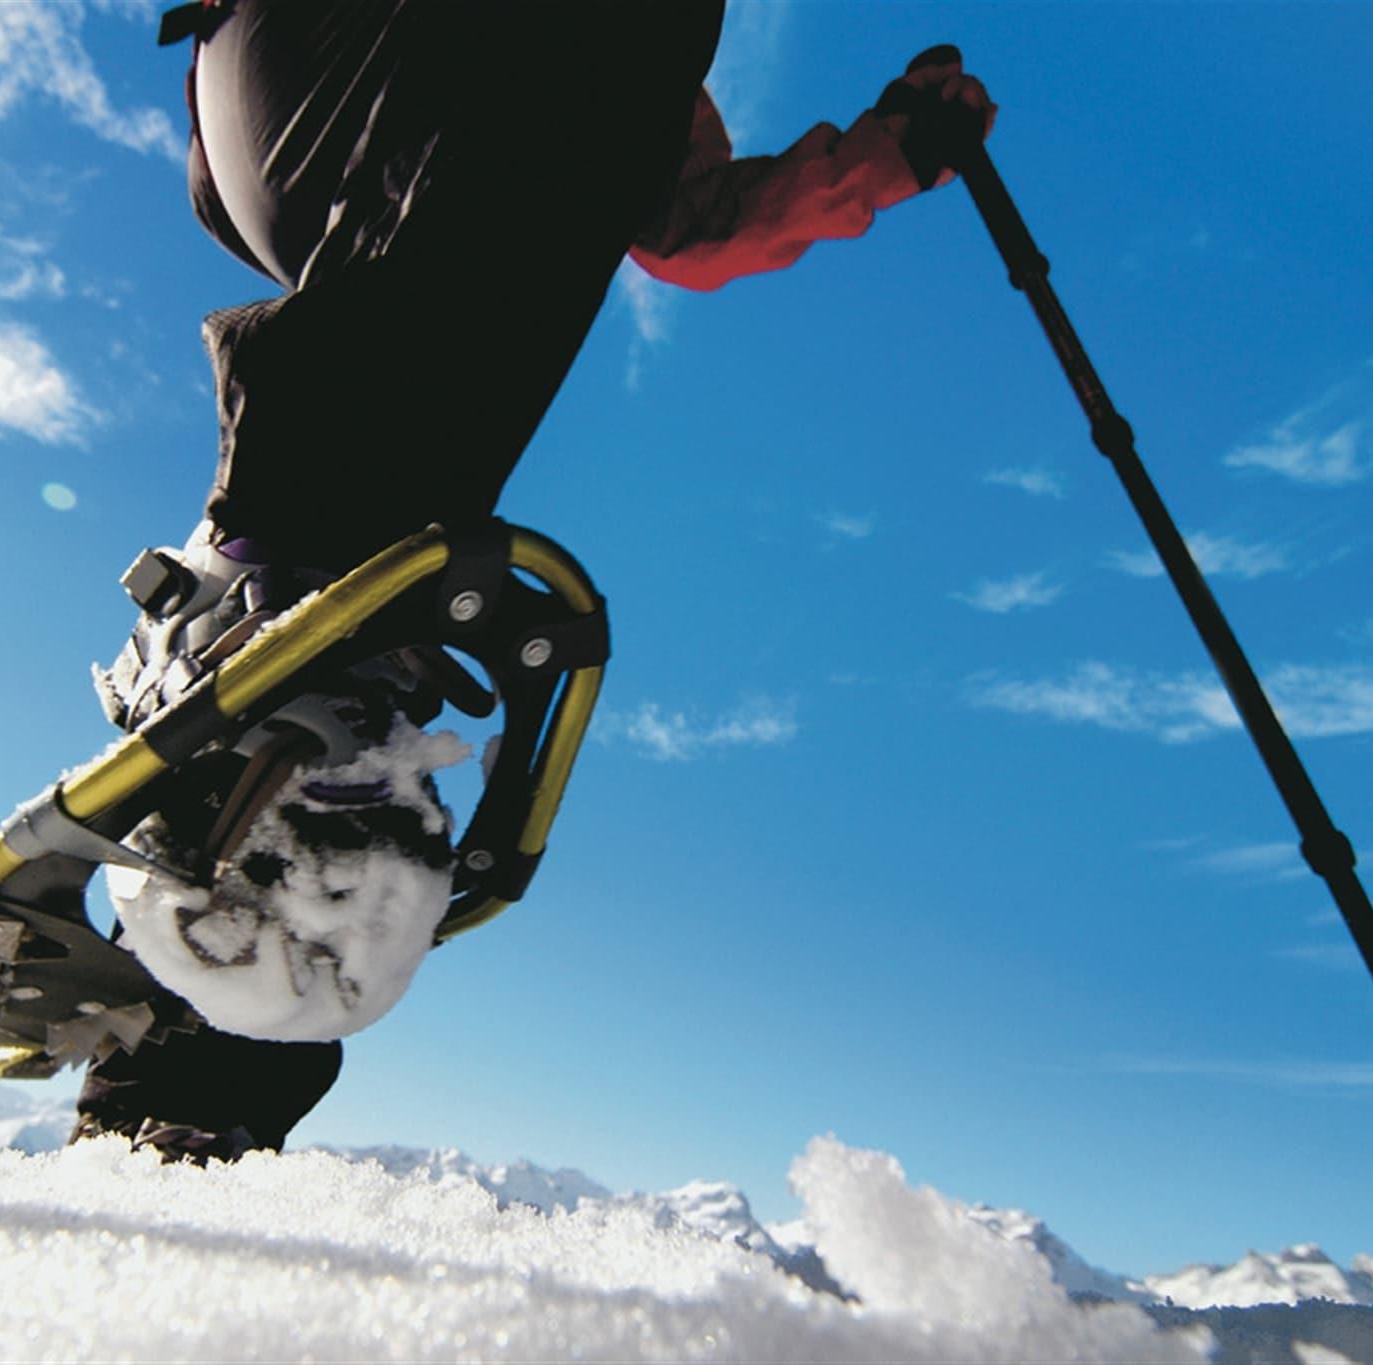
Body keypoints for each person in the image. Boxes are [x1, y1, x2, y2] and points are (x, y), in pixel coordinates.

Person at [73, 0, 995, 1162]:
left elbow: (670, 209)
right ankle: (280, 591)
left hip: (319, 132)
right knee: (593, 69)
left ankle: (194, 1059)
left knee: (594, 99)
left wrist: (883, 155)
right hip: (322, 54)